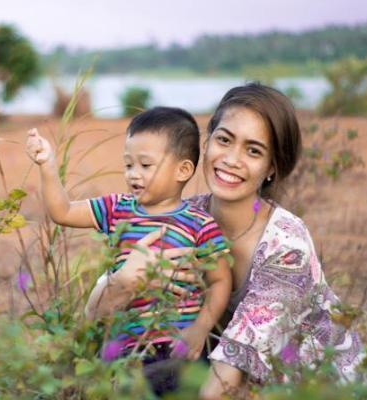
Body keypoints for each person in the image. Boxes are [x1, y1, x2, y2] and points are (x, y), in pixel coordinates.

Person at [85, 84, 367, 399]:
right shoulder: (183, 218)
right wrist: (122, 281)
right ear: (206, 144)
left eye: (253, 150)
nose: (232, 159)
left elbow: (223, 382)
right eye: (224, 140)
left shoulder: (287, 246)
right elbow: (94, 318)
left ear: (272, 168)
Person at [26, 107, 232, 377]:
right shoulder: (117, 209)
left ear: (182, 170)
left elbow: (220, 280)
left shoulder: (200, 223)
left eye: (145, 165)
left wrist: (201, 328)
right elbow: (62, 212)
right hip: (124, 351)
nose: (133, 174)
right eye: (128, 164)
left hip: (178, 349)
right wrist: (48, 167)